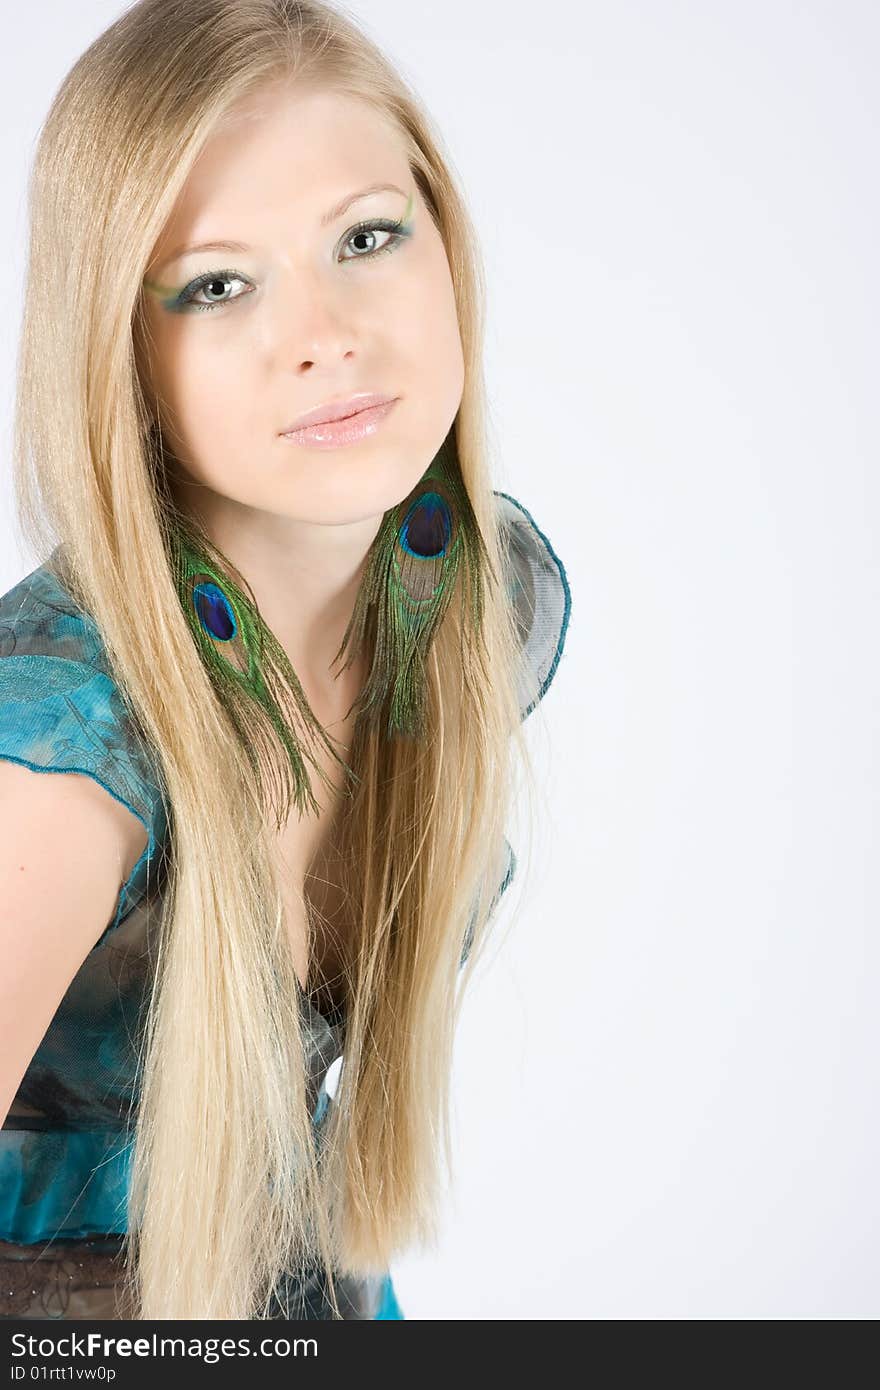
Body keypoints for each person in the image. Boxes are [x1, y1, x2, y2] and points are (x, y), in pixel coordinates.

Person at [0, 0, 571, 1321]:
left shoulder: (470, 603)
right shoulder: (67, 743)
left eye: (367, 236)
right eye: (217, 284)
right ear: (121, 357)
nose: (325, 332)